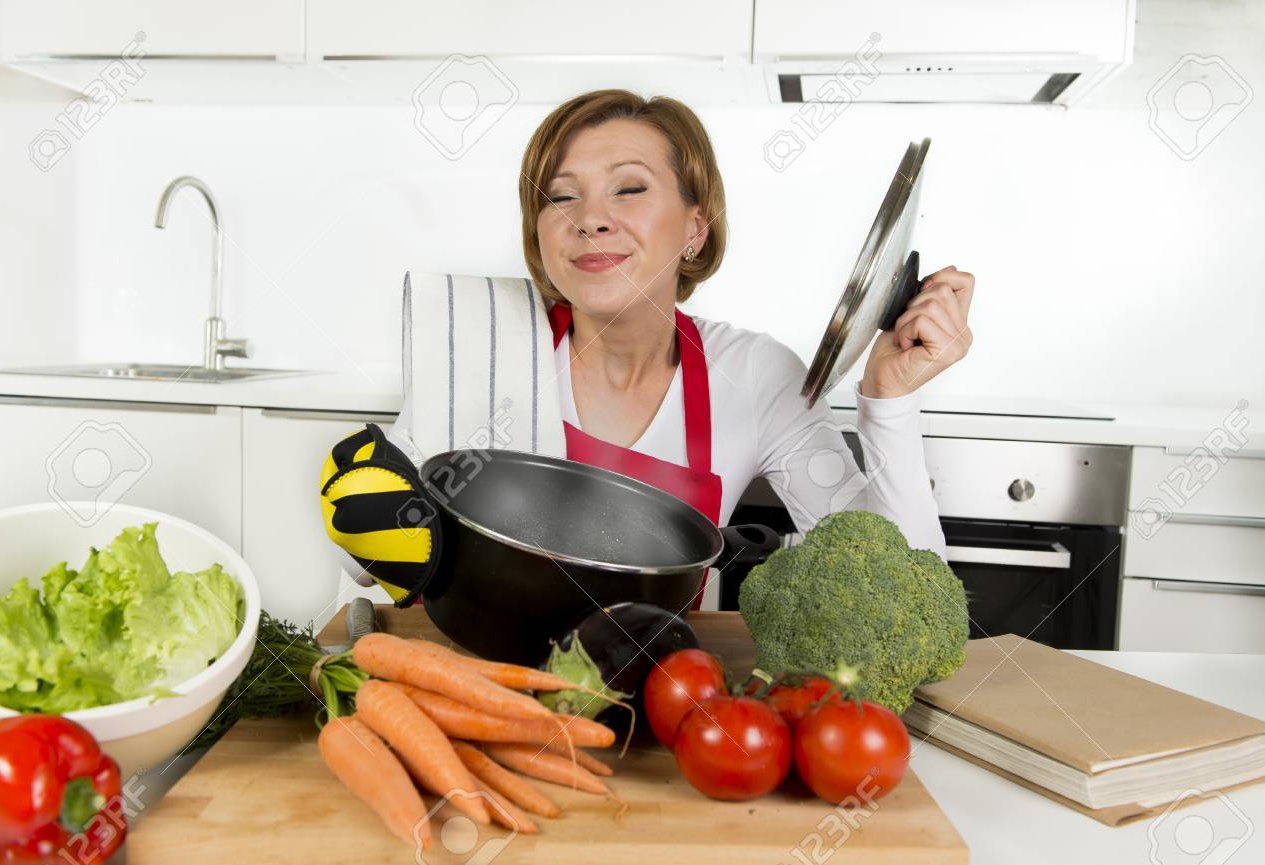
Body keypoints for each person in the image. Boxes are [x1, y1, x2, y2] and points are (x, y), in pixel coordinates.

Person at [333, 89, 974, 611]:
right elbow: (366, 564)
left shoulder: (753, 376)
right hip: (473, 684)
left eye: (630, 188)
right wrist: (373, 518)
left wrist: (890, 404)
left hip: (647, 701)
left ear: (696, 226)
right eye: (561, 195)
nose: (590, 218)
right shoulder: (483, 340)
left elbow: (900, 583)